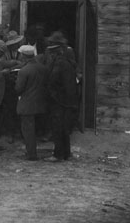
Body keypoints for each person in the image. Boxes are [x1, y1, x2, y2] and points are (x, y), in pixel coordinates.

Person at [44, 32, 79, 162]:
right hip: (67, 101)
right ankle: (66, 153)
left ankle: (58, 154)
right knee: (64, 129)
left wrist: (51, 94)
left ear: (57, 51)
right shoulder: (68, 63)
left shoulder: (59, 64)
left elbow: (53, 81)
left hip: (59, 101)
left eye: (52, 51)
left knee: (58, 128)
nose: (51, 54)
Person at [15, 45, 48, 161]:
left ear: (23, 56)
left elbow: (18, 89)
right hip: (40, 103)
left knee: (28, 130)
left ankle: (31, 154)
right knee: (36, 129)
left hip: (27, 104)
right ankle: (32, 152)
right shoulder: (43, 68)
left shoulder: (24, 71)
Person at [1, 30, 24, 143]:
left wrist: (12, 64)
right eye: (14, 43)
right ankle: (10, 133)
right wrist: (14, 63)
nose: (16, 45)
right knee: (8, 109)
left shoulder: (22, 52)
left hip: (20, 83)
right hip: (7, 84)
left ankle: (20, 132)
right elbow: (1, 63)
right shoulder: (4, 53)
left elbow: (24, 63)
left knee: (19, 109)